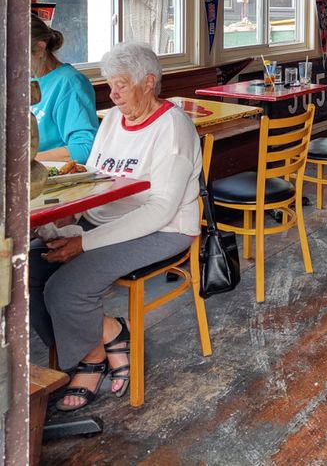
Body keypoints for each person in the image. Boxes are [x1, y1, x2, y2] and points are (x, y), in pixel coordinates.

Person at [30, 43, 202, 411]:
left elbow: (159, 210)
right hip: (103, 219)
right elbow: (92, 179)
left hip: (163, 231)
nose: (113, 93)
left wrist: (84, 243)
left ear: (149, 81)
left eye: (121, 84)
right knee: (30, 268)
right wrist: (68, 217)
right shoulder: (111, 120)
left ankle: (90, 361)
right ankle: (109, 332)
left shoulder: (173, 128)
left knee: (65, 288)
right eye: (110, 84)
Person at [31, 14, 98, 163]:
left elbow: (85, 148)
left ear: (40, 49)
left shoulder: (70, 83)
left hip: (53, 178)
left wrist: (25, 162)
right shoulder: (24, 79)